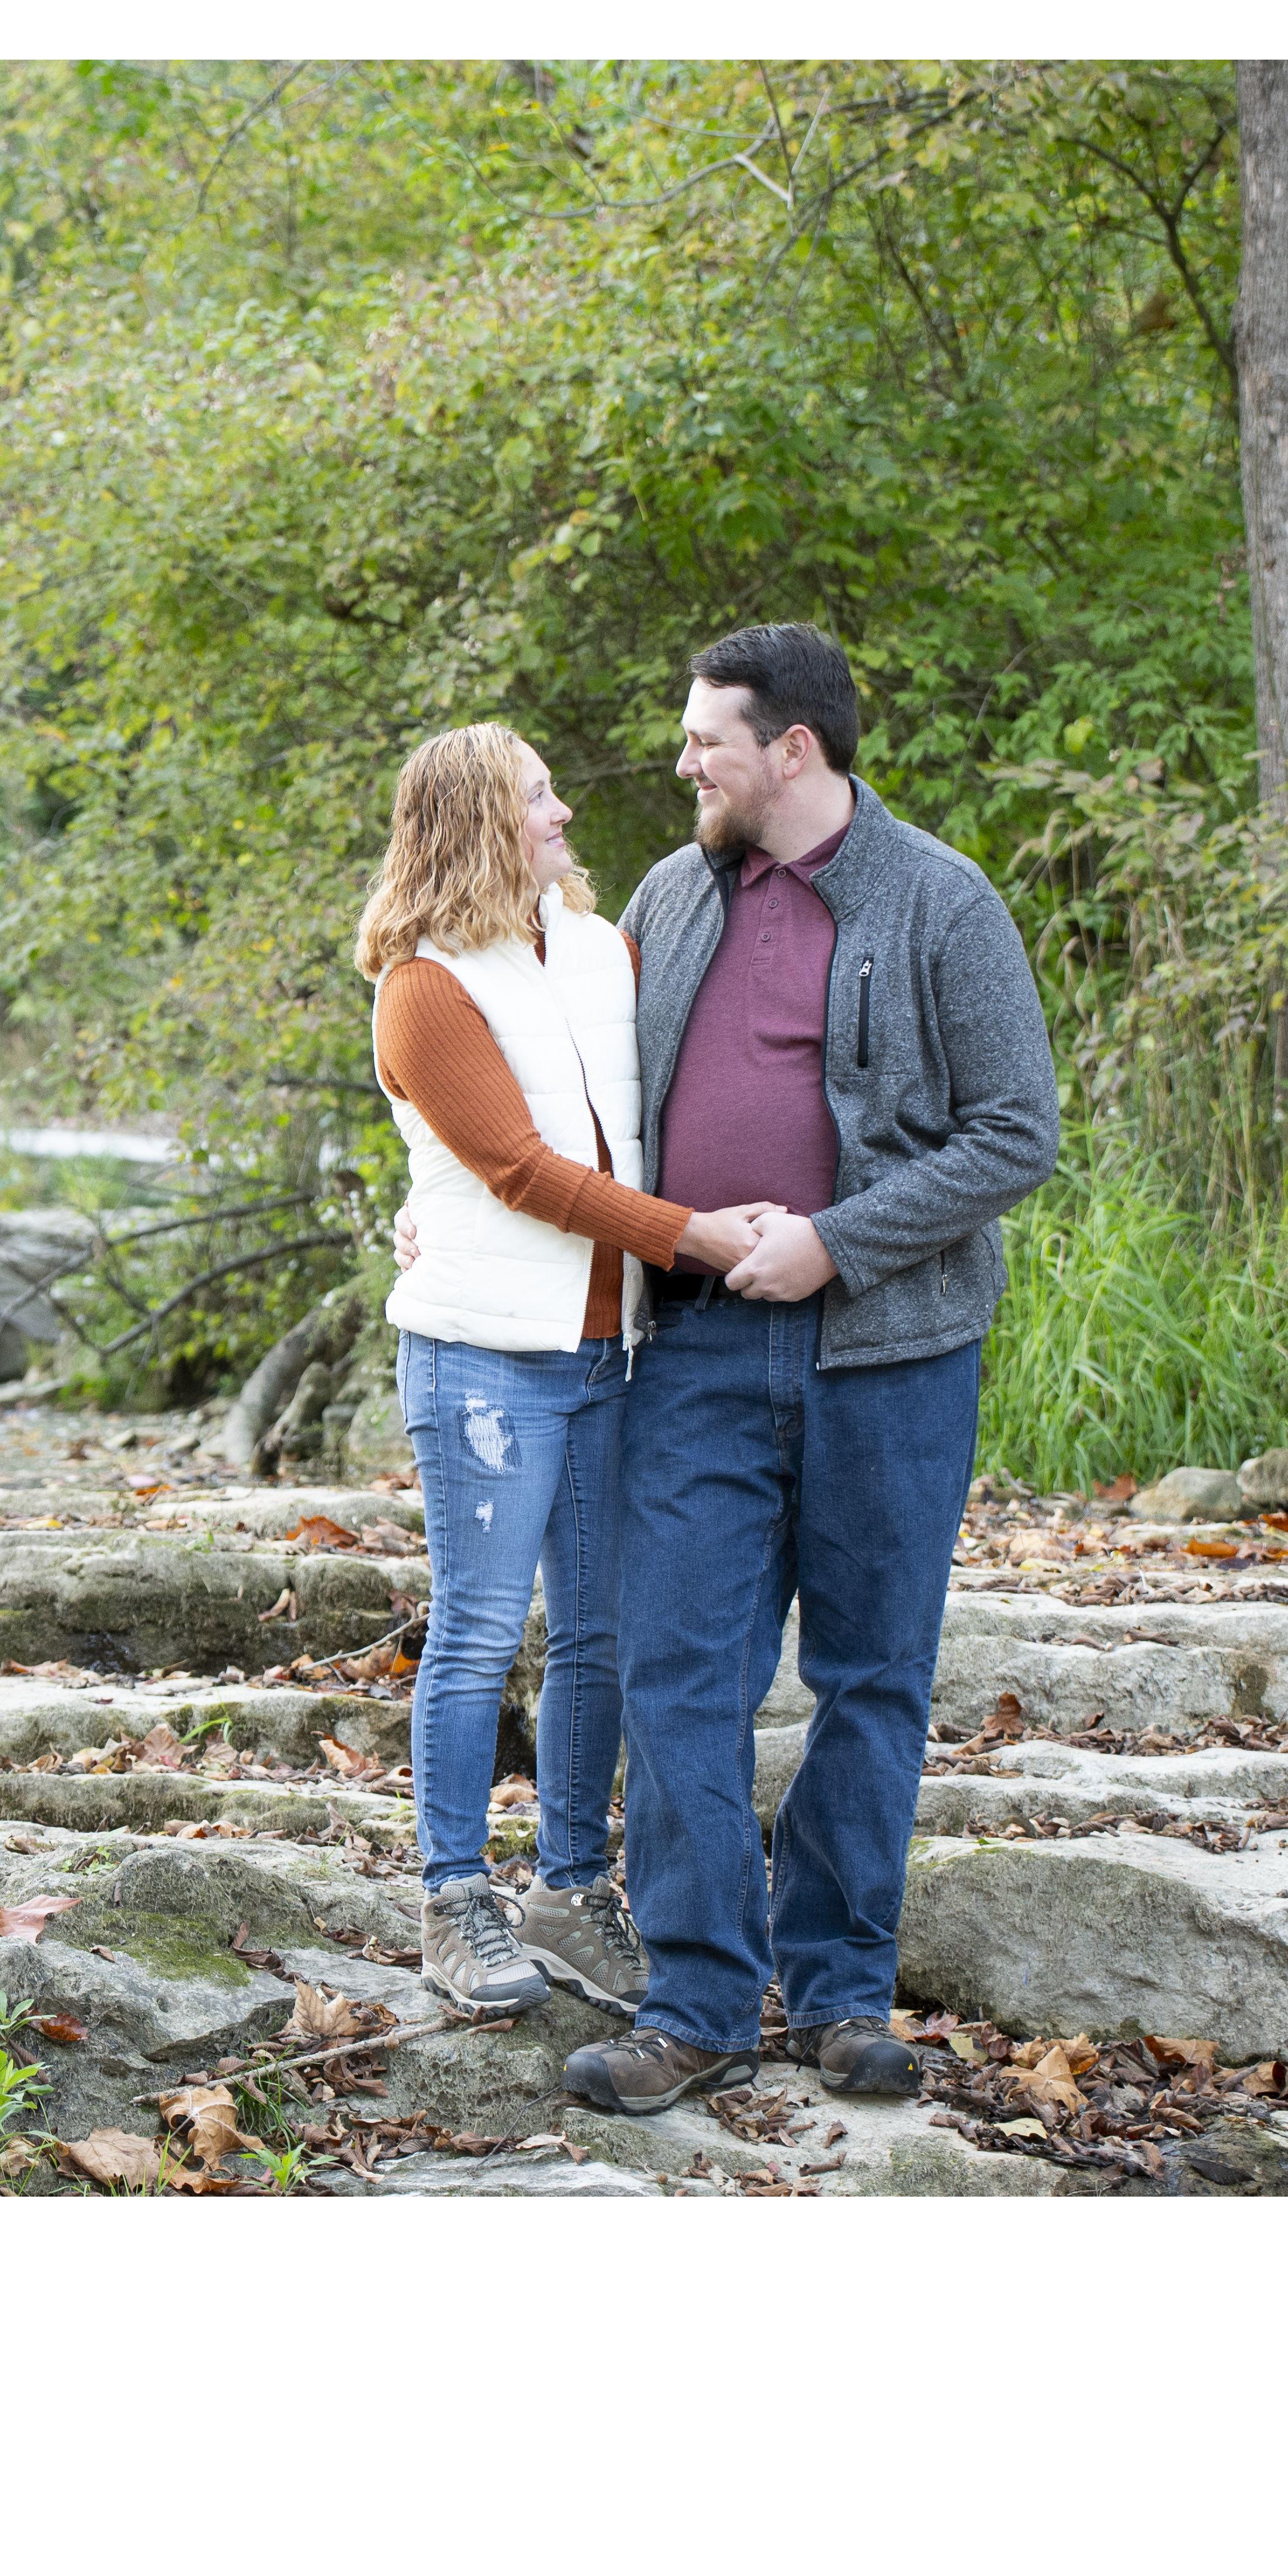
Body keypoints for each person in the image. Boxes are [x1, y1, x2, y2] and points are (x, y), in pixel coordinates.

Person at [550, 623, 1061, 2111]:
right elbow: (579, 1100)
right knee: (676, 1670)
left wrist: (836, 1243)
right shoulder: (668, 896)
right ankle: (698, 2004)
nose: (683, 764)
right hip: (694, 1348)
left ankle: (840, 1997)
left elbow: (1017, 1132)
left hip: (891, 1359)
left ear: (793, 748)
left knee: (871, 1674)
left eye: (706, 740)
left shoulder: (943, 901)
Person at [355, 722, 780, 2019]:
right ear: (479, 822)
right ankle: (452, 1899)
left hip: (612, 1350)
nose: (563, 813)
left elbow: (654, 1117)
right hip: (483, 1359)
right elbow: (519, 1169)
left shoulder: (600, 949)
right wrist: (694, 1237)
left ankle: (569, 1892)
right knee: (479, 1633)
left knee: (596, 1634)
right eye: (538, 797)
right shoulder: (424, 986)